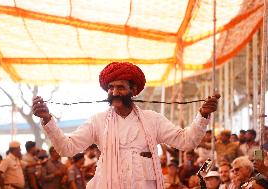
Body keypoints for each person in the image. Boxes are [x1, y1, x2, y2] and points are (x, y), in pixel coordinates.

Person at [32, 62, 220, 189]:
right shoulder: (98, 121)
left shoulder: (152, 119)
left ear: (134, 90)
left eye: (120, 87)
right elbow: (67, 148)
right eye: (111, 88)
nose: (114, 92)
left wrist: (202, 115)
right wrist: (48, 120)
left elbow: (187, 142)